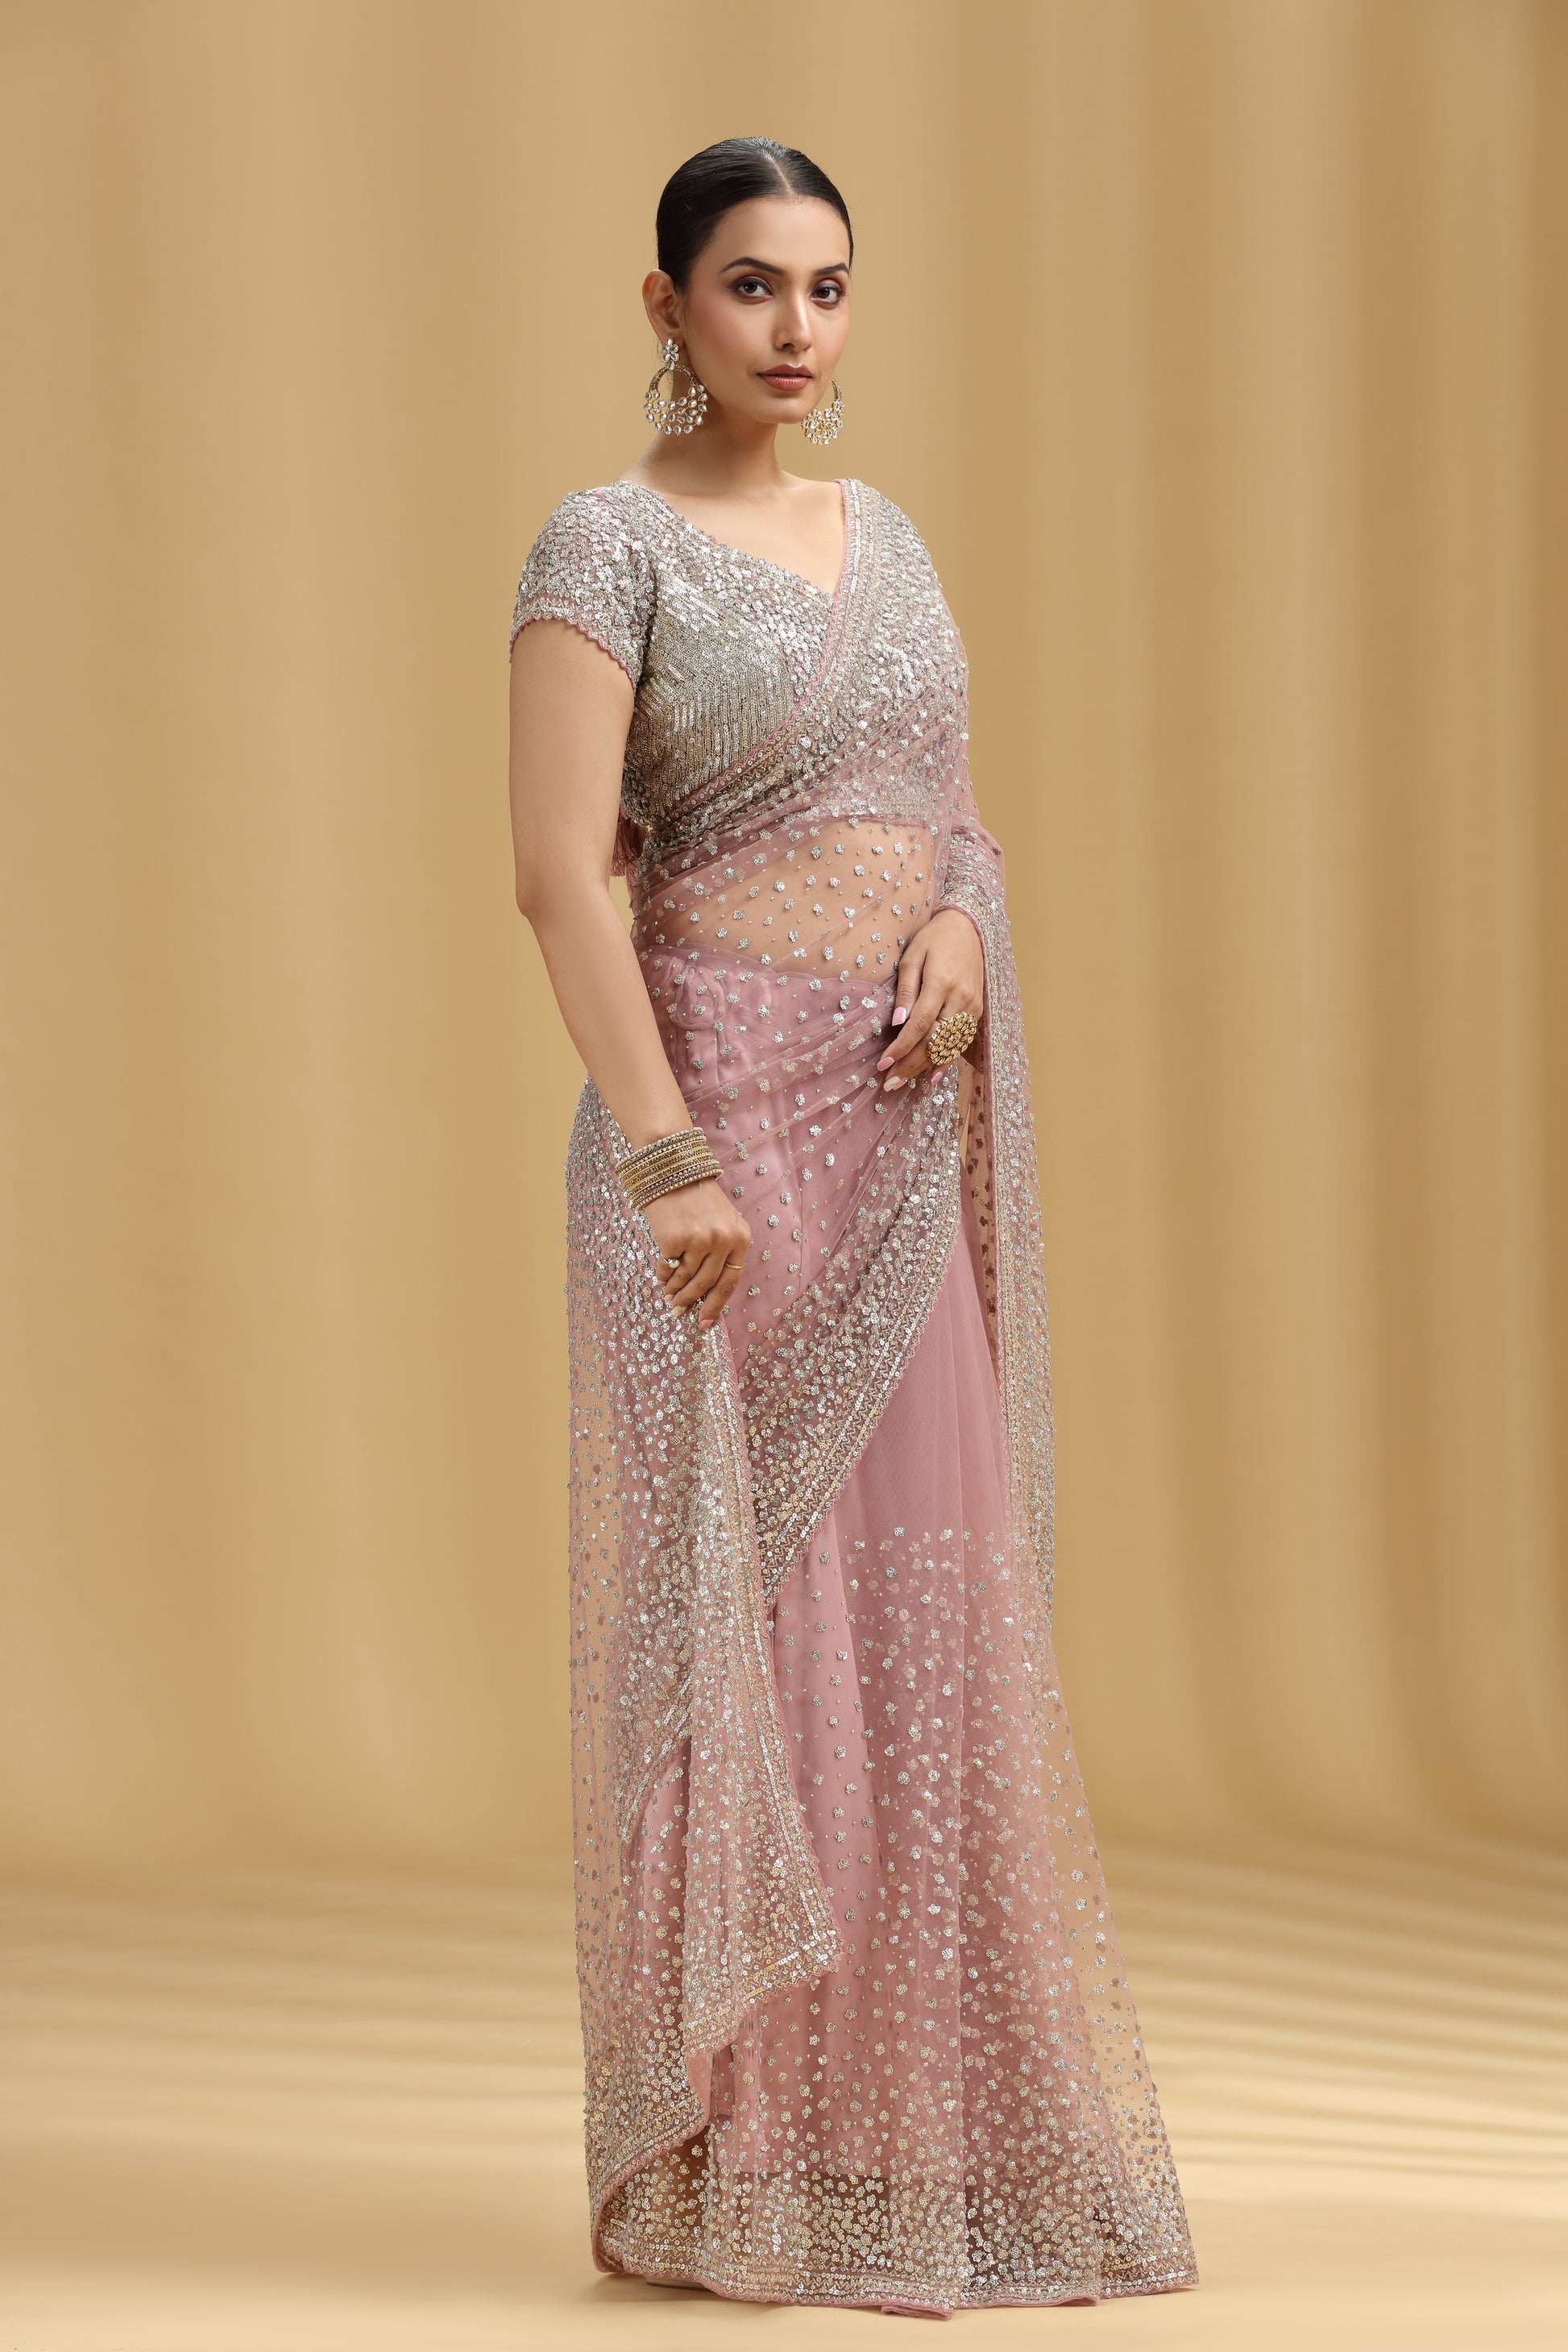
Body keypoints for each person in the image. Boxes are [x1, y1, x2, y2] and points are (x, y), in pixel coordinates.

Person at [506, 135, 1198, 2318]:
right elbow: (555, 871)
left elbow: (949, 824)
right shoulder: (599, 547)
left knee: (927, 1635)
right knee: (763, 1654)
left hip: (899, 1152)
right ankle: (751, 2168)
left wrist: (975, 942)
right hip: (724, 1154)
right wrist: (663, 1157)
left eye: (826, 286)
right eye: (748, 288)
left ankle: (941, 2148)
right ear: (662, 312)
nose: (796, 329)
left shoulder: (882, 542)